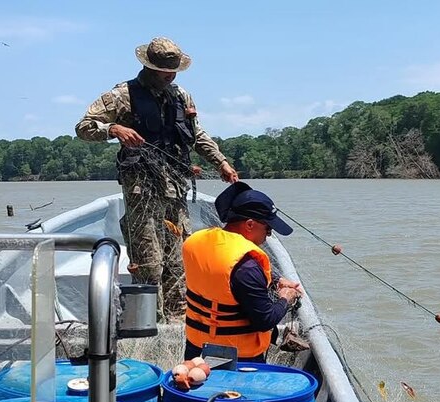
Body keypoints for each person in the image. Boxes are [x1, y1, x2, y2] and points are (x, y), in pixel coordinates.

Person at [75, 37, 240, 321]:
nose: (171, 76)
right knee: (149, 263)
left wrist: (221, 162)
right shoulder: (122, 95)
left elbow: (197, 134)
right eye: (165, 72)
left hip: (176, 188)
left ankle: (176, 325)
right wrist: (114, 129)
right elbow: (84, 127)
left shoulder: (181, 96)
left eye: (174, 71)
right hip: (142, 188)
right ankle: (150, 324)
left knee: (179, 261)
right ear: (150, 67)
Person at [181, 182, 302, 362]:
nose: (268, 235)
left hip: (195, 350)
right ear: (250, 224)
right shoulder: (248, 267)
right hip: (236, 360)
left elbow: (221, 273)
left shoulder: (196, 241)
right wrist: (286, 297)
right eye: (268, 228)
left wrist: (276, 280)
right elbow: (265, 320)